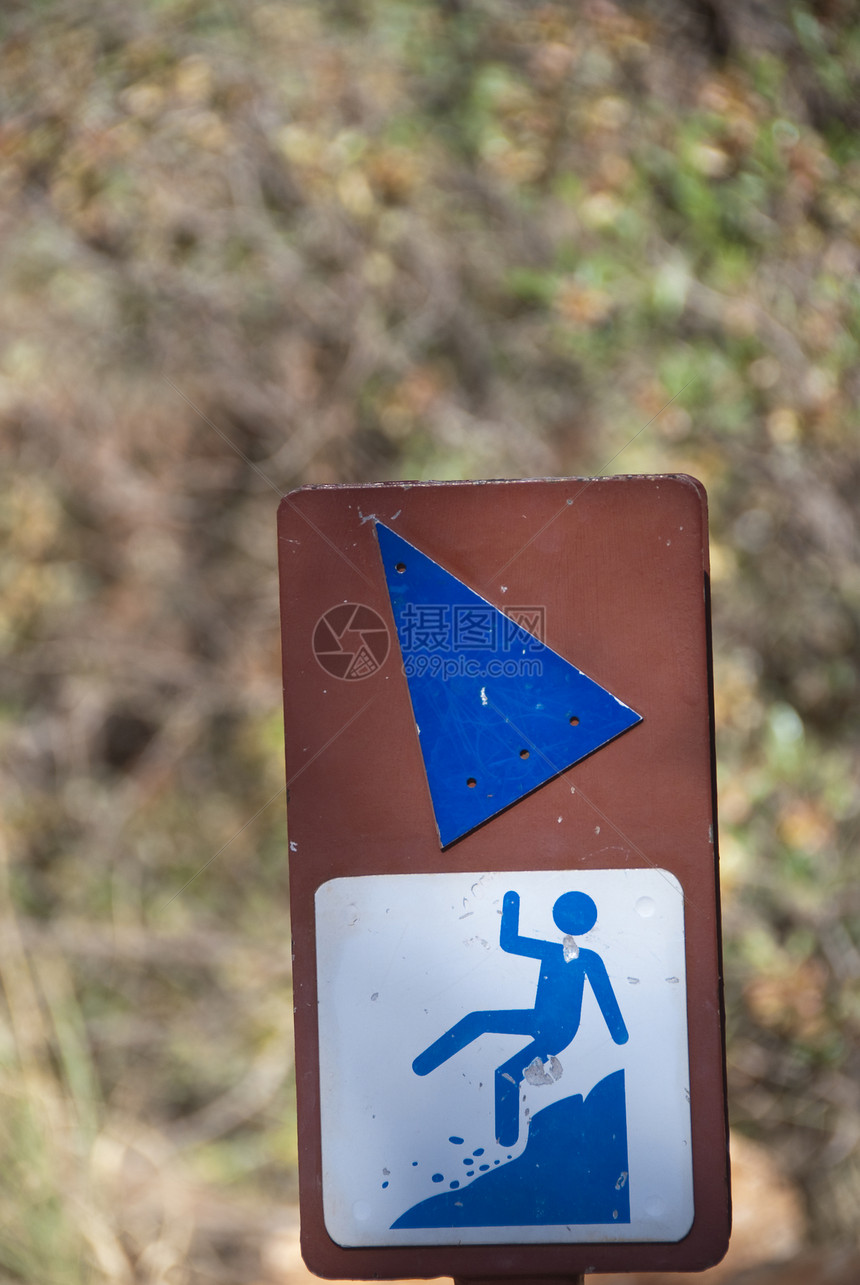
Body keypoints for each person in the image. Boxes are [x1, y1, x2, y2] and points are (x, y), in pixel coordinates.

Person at [412, 889, 628, 1146]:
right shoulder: (555, 951)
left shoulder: (589, 959)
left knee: (507, 1072)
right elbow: (510, 942)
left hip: (559, 1032)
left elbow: (607, 1001)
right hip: (538, 1018)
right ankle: (424, 1064)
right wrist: (510, 903)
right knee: (478, 1019)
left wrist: (619, 1034)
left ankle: (507, 1138)